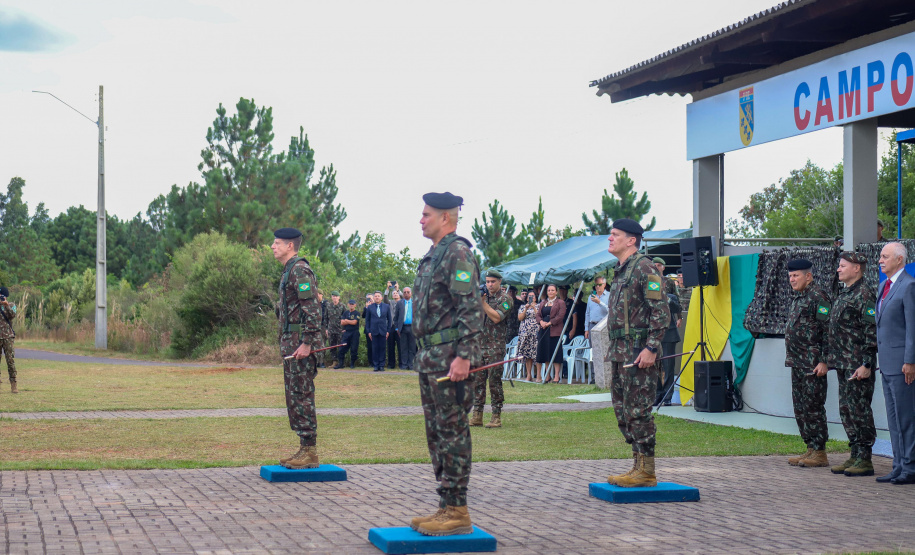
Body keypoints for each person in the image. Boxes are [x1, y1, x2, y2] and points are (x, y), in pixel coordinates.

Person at [409, 192, 483, 536]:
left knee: (452, 431)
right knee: (436, 434)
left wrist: (464, 356)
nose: (421, 220)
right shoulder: (433, 255)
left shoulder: (457, 252)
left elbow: (470, 307)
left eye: (427, 215)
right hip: (430, 359)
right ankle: (446, 505)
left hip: (450, 359)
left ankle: (458, 509)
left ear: (445, 218)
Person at [604, 218, 670, 488]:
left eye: (615, 234)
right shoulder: (621, 270)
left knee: (639, 410)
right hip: (620, 352)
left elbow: (661, 311)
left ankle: (647, 471)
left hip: (638, 351)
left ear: (631, 240)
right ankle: (637, 465)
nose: (610, 238)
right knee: (624, 411)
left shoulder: (644, 267)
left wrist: (651, 348)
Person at [270, 228, 323, 469]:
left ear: (290, 246)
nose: (273, 246)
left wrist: (307, 342)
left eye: (277, 243)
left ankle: (310, 451)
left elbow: (312, 308)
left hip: (300, 345)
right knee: (294, 396)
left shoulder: (300, 269)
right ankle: (304, 448)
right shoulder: (289, 270)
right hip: (291, 343)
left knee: (301, 395)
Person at [825, 252, 878, 477]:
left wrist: (867, 363)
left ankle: (865, 458)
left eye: (843, 265)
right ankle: (855, 454)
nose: (838, 269)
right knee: (847, 410)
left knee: (859, 410)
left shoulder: (865, 294)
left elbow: (871, 331)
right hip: (844, 363)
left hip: (858, 364)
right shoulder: (846, 293)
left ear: (857, 268)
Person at [784, 258, 832, 469]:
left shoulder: (818, 297)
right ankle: (810, 447)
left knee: (813, 406)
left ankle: (820, 452)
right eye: (790, 276)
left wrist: (824, 360)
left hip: (813, 363)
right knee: (801, 407)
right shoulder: (798, 298)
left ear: (808, 276)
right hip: (797, 362)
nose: (792, 280)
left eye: (796, 276)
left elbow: (828, 331)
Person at [875, 242, 915, 484]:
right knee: (893, 418)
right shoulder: (883, 286)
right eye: (880, 256)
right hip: (887, 363)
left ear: (899, 260)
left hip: (902, 365)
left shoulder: (909, 286)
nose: (880, 260)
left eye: (885, 256)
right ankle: (898, 463)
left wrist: (910, 361)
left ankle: (910, 467)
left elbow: (912, 327)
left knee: (906, 417)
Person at [471, 269, 512, 428]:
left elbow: (496, 317)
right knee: (477, 381)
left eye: (492, 282)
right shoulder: (482, 297)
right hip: (479, 345)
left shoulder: (506, 299)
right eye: (487, 282)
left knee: (494, 382)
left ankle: (496, 416)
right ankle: (477, 415)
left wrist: (483, 303)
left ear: (500, 282)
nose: (489, 285)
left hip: (495, 347)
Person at [535, 284, 566, 383]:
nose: (550, 292)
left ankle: (556, 376)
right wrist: (541, 322)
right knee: (546, 352)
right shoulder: (543, 302)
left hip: (554, 330)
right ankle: (547, 375)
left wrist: (549, 323)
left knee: (555, 353)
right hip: (543, 330)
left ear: (556, 292)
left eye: (553, 290)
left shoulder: (560, 302)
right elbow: (538, 315)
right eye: (549, 290)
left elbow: (560, 316)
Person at [365, 291, 392, 372]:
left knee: (382, 348)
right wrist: (369, 331)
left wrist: (388, 330)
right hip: (374, 331)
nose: (377, 297)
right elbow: (367, 320)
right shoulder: (370, 307)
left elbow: (389, 320)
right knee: (375, 348)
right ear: (373, 298)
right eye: (375, 296)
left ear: (381, 298)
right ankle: (376, 365)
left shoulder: (386, 306)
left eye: (378, 296)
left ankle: (381, 365)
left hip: (383, 330)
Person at [517, 290, 540, 381]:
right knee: (527, 354)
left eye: (533, 296)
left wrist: (534, 307)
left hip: (535, 332)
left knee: (536, 353)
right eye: (529, 296)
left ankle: (538, 375)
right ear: (527, 298)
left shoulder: (539, 306)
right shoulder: (523, 307)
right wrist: (526, 309)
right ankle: (529, 375)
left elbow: (539, 316)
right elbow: (520, 318)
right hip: (525, 332)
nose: (531, 298)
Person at [0, 286, 18, 394]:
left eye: (2, 296)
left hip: (8, 337)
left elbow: (12, 315)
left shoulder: (11, 305)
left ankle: (13, 383)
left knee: (10, 361)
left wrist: (6, 306)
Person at [395, 286, 417, 370]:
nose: (406, 294)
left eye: (408, 292)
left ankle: (411, 365)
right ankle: (404, 365)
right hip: (403, 328)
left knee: (412, 347)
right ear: (403, 294)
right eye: (404, 292)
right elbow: (396, 317)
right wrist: (397, 328)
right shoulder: (399, 303)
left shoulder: (415, 302)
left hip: (412, 327)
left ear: (411, 293)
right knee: (403, 347)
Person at [336, 300, 361, 369]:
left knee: (354, 348)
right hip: (346, 332)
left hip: (354, 332)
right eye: (350, 304)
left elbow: (354, 322)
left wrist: (346, 320)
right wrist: (349, 321)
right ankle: (341, 363)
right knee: (342, 348)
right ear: (348, 305)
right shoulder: (345, 313)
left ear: (355, 305)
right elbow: (342, 323)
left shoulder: (357, 313)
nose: (351, 305)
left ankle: (352, 364)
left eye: (352, 304)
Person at [584, 276, 610, 341]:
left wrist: (599, 302)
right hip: (592, 325)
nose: (597, 286)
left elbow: (610, 310)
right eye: (596, 285)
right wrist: (586, 329)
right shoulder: (591, 297)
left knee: (603, 347)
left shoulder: (609, 296)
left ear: (604, 284)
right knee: (592, 348)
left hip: (603, 326)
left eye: (600, 284)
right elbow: (587, 313)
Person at [325, 291, 345, 368]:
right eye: (333, 296)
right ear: (331, 297)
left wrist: (344, 328)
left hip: (340, 329)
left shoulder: (342, 306)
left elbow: (345, 317)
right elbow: (326, 318)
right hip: (331, 329)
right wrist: (326, 329)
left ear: (339, 297)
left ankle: (341, 362)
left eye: (336, 296)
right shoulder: (328, 306)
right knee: (332, 346)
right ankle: (334, 361)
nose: (335, 297)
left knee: (340, 346)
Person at [387, 290, 402, 369]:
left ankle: (401, 364)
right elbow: (385, 299)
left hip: (400, 327)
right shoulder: (390, 302)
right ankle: (391, 364)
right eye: (394, 294)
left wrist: (398, 289)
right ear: (392, 296)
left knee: (400, 346)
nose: (395, 294)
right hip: (391, 326)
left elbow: (404, 297)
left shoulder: (402, 302)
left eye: (396, 293)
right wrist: (387, 289)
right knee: (390, 346)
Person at [316, 289, 328, 368]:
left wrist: (327, 328)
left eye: (318, 294)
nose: (317, 295)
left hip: (323, 326)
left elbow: (327, 316)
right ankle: (316, 361)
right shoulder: (313, 304)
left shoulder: (326, 304)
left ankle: (321, 362)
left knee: (322, 344)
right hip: (314, 326)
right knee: (315, 344)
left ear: (321, 295)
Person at [363, 295, 374, 368]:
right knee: (370, 347)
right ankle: (371, 362)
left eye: (370, 298)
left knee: (376, 347)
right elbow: (364, 316)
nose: (369, 300)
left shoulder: (376, 306)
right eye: (368, 298)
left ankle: (377, 362)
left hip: (376, 329)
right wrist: (367, 307)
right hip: (368, 329)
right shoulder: (366, 307)